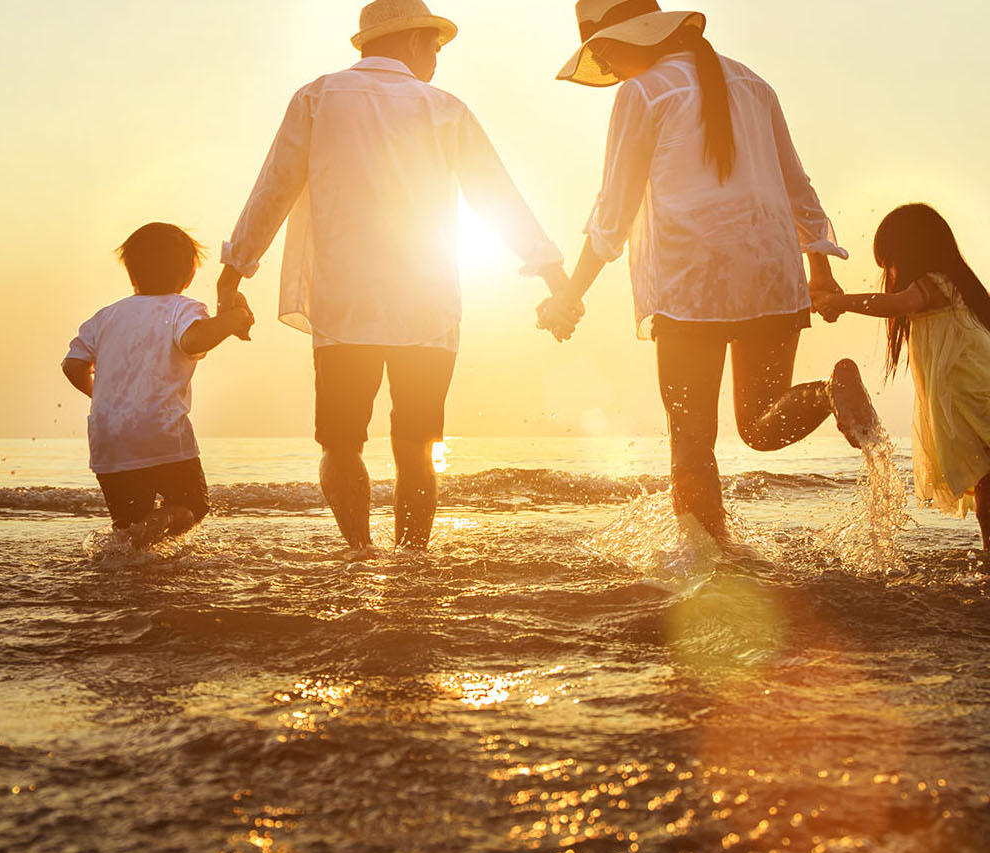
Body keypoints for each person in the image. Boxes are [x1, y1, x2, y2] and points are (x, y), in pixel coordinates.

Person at [217, 0, 573, 551]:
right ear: (412, 42)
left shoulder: (317, 97)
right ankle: (411, 562)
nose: (436, 56)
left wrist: (234, 272)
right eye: (434, 45)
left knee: (340, 445)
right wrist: (554, 278)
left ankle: (359, 553)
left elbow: (274, 187)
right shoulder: (444, 108)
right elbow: (497, 196)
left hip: (344, 307)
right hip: (426, 308)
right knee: (416, 444)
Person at [536, 1, 878, 545]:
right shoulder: (754, 84)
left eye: (602, 49)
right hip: (770, 272)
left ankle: (709, 565)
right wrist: (818, 270)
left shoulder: (642, 92)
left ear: (631, 39)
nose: (605, 62)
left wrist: (571, 295)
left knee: (691, 441)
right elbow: (798, 187)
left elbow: (613, 212)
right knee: (761, 423)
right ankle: (829, 394)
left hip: (689, 283)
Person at [61, 223, 254, 546]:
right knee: (193, 505)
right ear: (188, 276)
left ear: (132, 274)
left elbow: (73, 365)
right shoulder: (182, 308)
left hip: (109, 436)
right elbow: (193, 340)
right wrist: (234, 320)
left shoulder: (105, 317)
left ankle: (134, 560)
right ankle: (160, 521)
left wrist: (104, 396)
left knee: (128, 526)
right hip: (161, 432)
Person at [814, 204, 990, 548]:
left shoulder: (933, 284)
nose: (890, 273)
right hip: (968, 392)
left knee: (986, 476)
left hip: (972, 393)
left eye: (889, 263)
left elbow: (894, 304)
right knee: (985, 476)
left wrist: (842, 302)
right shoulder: (953, 286)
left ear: (911, 252)